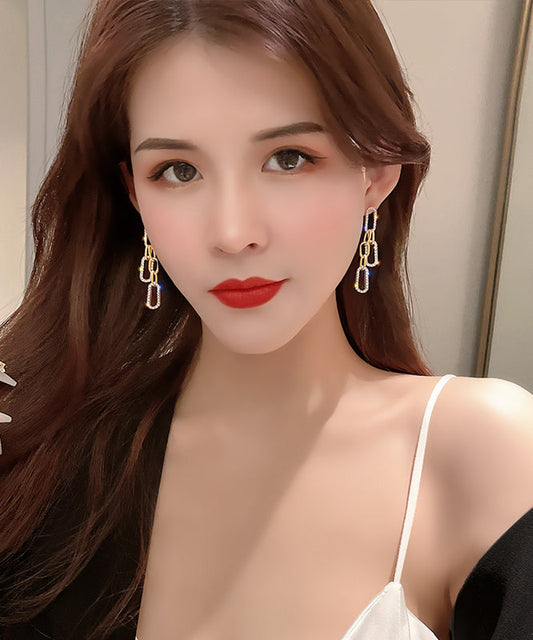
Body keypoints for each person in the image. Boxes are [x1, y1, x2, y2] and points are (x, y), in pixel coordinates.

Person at [0, 0, 532, 638]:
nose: (233, 233)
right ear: (135, 194)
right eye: (179, 171)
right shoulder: (54, 457)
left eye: (288, 158)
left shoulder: (484, 455)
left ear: (376, 172)